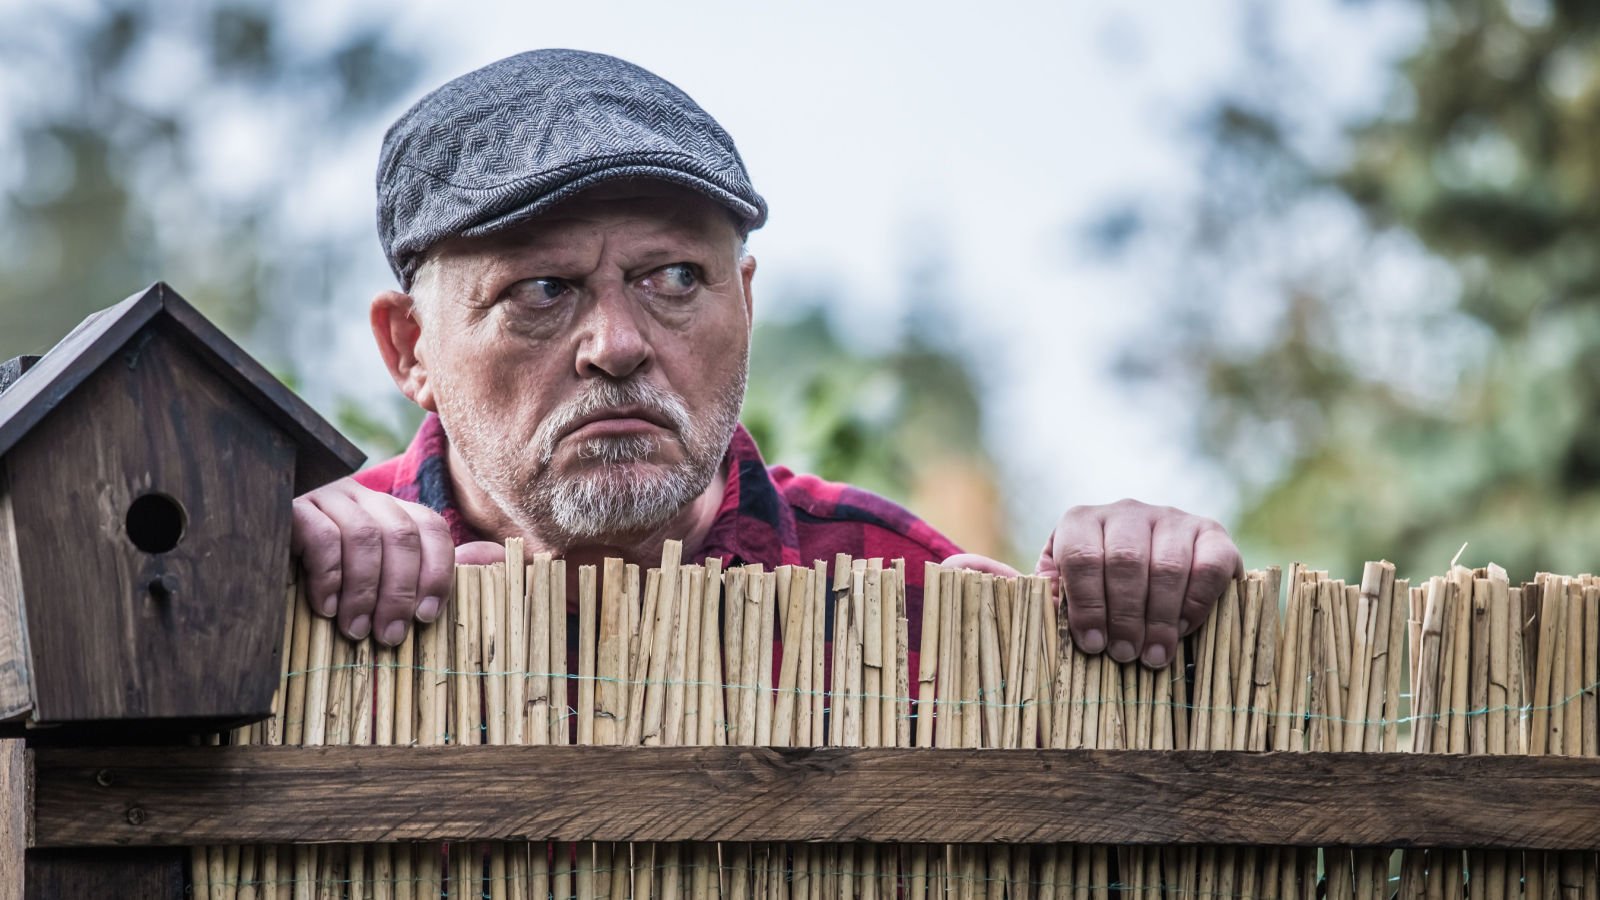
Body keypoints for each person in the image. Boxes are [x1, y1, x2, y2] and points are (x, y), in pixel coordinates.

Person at [292, 49, 1241, 675]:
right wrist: (247, 559)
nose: (619, 346)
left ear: (743, 302)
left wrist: (1135, 597)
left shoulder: (901, 597)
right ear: (409, 348)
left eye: (672, 277)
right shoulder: (291, 586)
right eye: (544, 291)